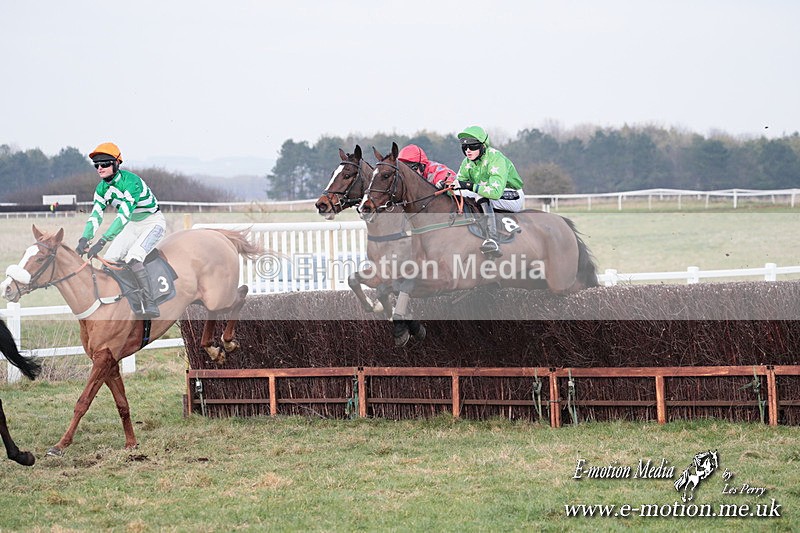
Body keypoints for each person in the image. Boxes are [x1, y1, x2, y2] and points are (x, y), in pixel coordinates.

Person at [75, 142, 166, 318]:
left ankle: (150, 302)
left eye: (105, 164)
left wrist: (102, 241)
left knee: (133, 257)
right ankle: (127, 298)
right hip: (132, 225)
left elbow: (123, 215)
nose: (100, 168)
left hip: (152, 223)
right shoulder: (101, 189)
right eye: (97, 165)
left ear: (116, 164)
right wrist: (84, 239)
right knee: (108, 260)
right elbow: (95, 216)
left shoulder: (132, 182)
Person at [452, 125, 525, 257]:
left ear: (483, 146)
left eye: (473, 147)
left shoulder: (496, 158)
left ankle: (493, 239)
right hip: (489, 194)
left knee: (480, 194)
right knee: (458, 193)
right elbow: (458, 185)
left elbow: (495, 192)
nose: (468, 150)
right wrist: (445, 187)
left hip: (512, 195)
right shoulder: (467, 162)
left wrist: (468, 185)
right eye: (464, 147)